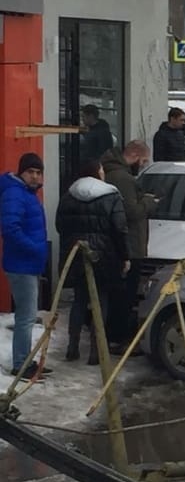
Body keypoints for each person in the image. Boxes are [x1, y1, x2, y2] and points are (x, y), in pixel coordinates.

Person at [55, 158, 129, 365]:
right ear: (98, 172)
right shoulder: (111, 195)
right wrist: (125, 256)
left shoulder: (68, 195)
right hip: (104, 255)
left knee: (79, 300)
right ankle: (96, 351)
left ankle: (73, 346)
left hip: (75, 253)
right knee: (101, 300)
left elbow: (60, 225)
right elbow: (120, 228)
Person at [102, 140, 157, 352]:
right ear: (134, 155)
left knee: (117, 294)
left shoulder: (113, 172)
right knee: (124, 296)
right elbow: (131, 212)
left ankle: (114, 336)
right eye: (142, 161)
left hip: (122, 244)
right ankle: (118, 338)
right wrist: (150, 202)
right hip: (129, 245)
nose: (142, 166)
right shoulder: (123, 178)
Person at [0, 153, 50, 380]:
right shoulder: (15, 194)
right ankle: (22, 365)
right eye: (30, 172)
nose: (35, 176)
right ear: (22, 172)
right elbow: (10, 229)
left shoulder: (27, 194)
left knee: (27, 316)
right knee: (26, 317)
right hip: (21, 265)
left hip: (28, 264)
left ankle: (26, 360)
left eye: (38, 172)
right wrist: (36, 249)